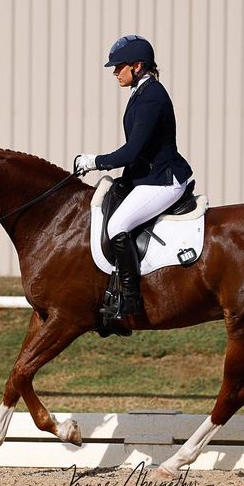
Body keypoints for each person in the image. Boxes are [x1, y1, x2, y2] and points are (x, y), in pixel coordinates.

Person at [75, 34, 193, 317]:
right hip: (147, 176)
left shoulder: (152, 96)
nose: (115, 72)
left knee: (117, 226)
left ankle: (131, 299)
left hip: (164, 180)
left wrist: (95, 161)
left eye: (119, 66)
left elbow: (131, 152)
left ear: (137, 66)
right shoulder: (140, 92)